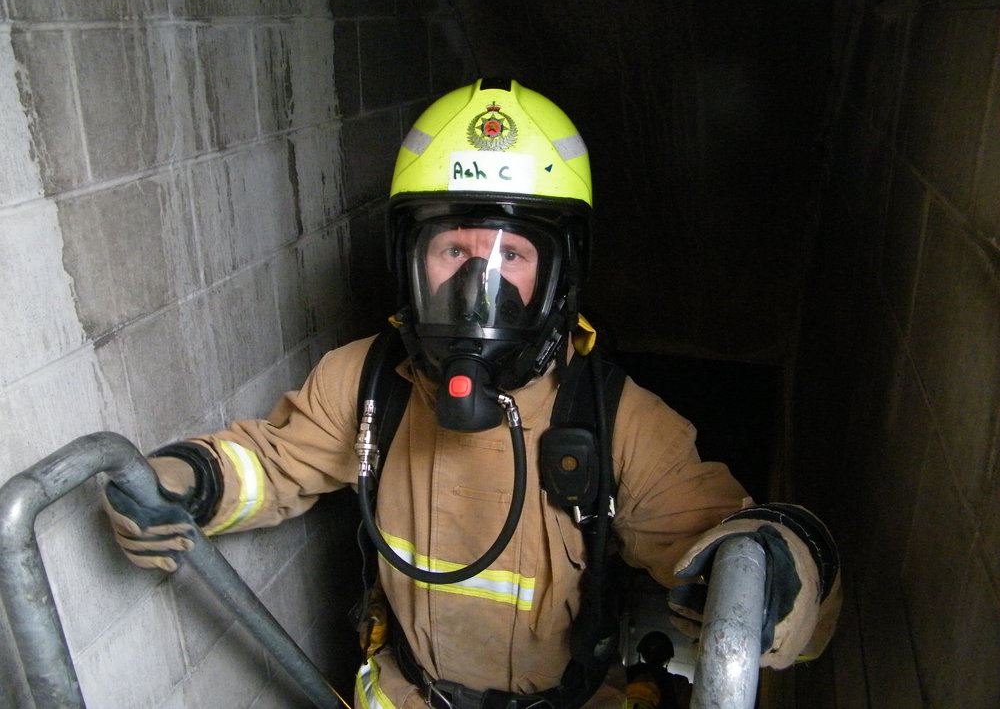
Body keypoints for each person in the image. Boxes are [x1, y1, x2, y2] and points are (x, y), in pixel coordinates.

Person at [102, 78, 841, 709]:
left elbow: (731, 549)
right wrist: (186, 479)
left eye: (510, 255)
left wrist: (775, 571)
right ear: (411, 260)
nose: (476, 287)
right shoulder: (369, 381)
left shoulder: (613, 418)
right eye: (453, 248)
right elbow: (274, 460)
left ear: (558, 277)